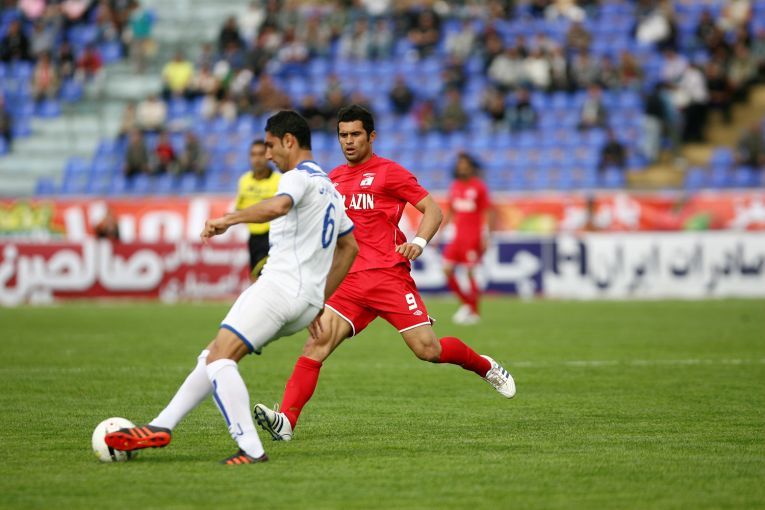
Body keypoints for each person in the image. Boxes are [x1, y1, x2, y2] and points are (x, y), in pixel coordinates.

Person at [104, 110, 358, 465]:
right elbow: (349, 247)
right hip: (303, 303)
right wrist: (319, 300)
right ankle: (162, 425)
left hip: (278, 289)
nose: (268, 154)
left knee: (220, 359)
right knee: (213, 354)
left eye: (270, 145)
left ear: (289, 141)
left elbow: (279, 206)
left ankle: (250, 449)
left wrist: (230, 219)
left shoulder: (296, 177)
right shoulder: (329, 187)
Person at [253, 105, 515, 443]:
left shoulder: (389, 172)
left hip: (389, 277)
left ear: (371, 136)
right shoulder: (333, 179)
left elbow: (432, 210)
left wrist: (418, 242)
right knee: (317, 343)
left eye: (355, 134)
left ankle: (484, 365)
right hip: (349, 281)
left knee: (428, 350)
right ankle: (286, 421)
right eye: (343, 135)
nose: (349, 141)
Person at [442, 152, 493, 325]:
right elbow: (451, 210)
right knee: (447, 269)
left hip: (473, 236)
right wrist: (440, 231)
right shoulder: (455, 186)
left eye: (465, 165)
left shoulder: (479, 187)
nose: (462, 168)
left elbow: (487, 211)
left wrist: (487, 235)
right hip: (457, 237)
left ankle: (475, 312)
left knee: (470, 272)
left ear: (471, 168)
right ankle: (466, 305)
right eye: (459, 165)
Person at [236, 139, 282, 279]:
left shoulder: (279, 180)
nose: (257, 159)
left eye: (261, 154)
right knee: (255, 278)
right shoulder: (244, 181)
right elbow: (240, 209)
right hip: (254, 238)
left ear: (268, 155)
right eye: (253, 154)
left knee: (270, 279)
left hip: (273, 237)